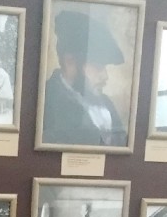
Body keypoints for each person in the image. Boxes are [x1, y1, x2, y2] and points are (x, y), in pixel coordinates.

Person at [40, 10, 128, 148]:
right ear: (70, 62)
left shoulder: (106, 103)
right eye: (98, 66)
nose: (105, 76)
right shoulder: (46, 100)